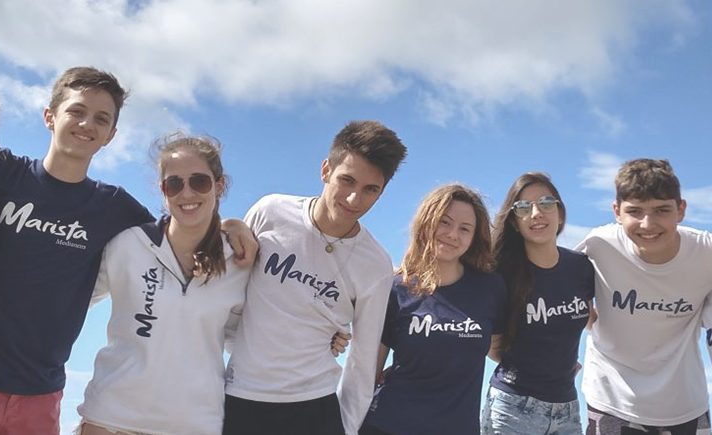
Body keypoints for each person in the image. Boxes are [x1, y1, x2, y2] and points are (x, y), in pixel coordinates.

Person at [0, 67, 255, 435]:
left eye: (101, 118)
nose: (87, 124)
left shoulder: (114, 208)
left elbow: (180, 226)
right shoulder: (4, 174)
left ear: (111, 135)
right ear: (49, 117)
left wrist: (229, 226)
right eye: (76, 111)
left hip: (40, 393)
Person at [222, 120, 407, 435]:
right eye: (347, 180)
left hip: (315, 408)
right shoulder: (271, 212)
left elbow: (363, 361)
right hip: (240, 396)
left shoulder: (375, 264)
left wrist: (346, 428)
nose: (354, 199)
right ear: (326, 170)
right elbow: (229, 296)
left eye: (370, 189)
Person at [75, 134, 249, 435]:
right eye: (174, 184)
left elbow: (250, 341)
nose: (187, 193)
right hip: (110, 419)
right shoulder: (127, 244)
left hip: (194, 425)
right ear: (162, 191)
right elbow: (69, 302)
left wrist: (328, 332)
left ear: (219, 185)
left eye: (199, 181)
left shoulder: (240, 260)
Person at [360, 183, 507, 435]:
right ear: (427, 222)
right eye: (444, 222)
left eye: (464, 228)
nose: (453, 234)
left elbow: (501, 351)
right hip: (388, 425)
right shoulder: (396, 288)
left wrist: (554, 364)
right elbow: (368, 372)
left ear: (474, 237)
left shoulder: (490, 288)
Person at [578, 159, 712, 435]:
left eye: (662, 210)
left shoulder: (705, 252)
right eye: (635, 211)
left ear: (681, 210)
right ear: (617, 211)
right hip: (612, 402)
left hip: (686, 404)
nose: (648, 224)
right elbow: (556, 284)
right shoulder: (599, 245)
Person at [481, 172, 594, 434]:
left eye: (546, 203)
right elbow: (493, 346)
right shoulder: (502, 274)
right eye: (523, 207)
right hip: (513, 407)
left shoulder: (581, 267)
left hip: (567, 407)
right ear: (514, 222)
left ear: (560, 213)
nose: (536, 213)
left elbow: (591, 319)